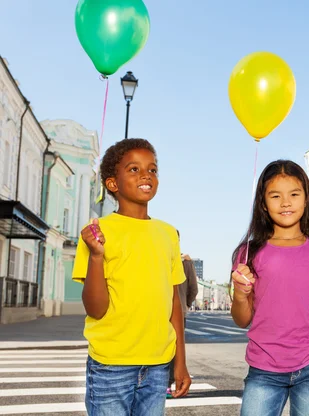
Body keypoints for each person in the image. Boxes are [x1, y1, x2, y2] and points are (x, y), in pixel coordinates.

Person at [73, 138, 191, 416]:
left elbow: (174, 302)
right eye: (134, 169)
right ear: (112, 184)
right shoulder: (96, 232)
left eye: (152, 169)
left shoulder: (168, 234)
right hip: (111, 364)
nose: (146, 175)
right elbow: (95, 308)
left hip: (158, 364)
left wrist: (181, 361)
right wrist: (97, 256)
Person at [230, 159, 309, 416]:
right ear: (263, 203)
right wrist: (241, 295)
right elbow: (242, 319)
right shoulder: (249, 253)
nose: (286, 202)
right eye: (275, 195)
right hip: (264, 367)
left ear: (306, 199)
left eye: (294, 194)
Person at [167, 233, 199, 397]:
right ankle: (168, 384)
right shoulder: (186, 262)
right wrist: (185, 303)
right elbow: (193, 288)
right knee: (175, 347)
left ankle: (163, 384)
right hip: (179, 312)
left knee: (162, 347)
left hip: (161, 309)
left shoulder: (161, 257)